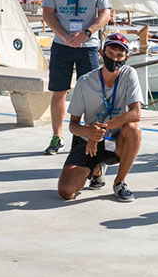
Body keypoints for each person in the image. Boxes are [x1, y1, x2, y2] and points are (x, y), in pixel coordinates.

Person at [42, 0, 112, 155]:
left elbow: (105, 13)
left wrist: (86, 34)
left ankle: (89, 136)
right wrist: (64, 36)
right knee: (59, 92)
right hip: (62, 45)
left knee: (91, 94)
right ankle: (57, 137)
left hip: (88, 45)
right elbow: (48, 13)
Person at [58, 33, 142, 202]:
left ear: (127, 57)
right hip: (88, 142)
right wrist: (89, 132)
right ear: (102, 53)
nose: (115, 59)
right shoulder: (84, 82)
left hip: (114, 140)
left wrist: (99, 131)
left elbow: (135, 113)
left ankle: (120, 182)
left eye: (120, 56)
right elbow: (73, 125)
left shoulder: (129, 74)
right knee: (66, 191)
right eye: (110, 54)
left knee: (134, 129)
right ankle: (94, 169)